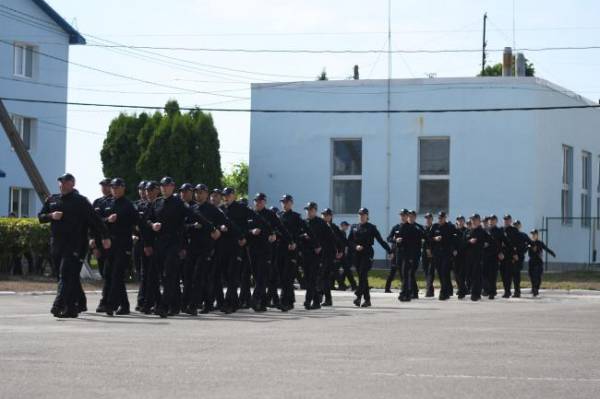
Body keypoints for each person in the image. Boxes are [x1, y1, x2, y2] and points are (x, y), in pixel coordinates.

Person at [38, 173, 110, 318]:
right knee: (64, 277)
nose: (62, 185)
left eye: (65, 182)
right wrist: (51, 216)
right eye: (60, 182)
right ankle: (71, 308)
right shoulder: (53, 199)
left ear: (72, 184)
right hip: (57, 244)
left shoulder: (80, 201)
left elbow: (95, 221)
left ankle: (58, 304)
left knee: (66, 275)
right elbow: (40, 217)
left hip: (75, 245)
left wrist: (104, 237)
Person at [145, 177, 198, 317]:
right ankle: (176, 304)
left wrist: (211, 227)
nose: (164, 188)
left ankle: (163, 306)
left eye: (167, 186)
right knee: (161, 276)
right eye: (162, 186)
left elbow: (194, 215)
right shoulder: (157, 202)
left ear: (173, 187)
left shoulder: (179, 203)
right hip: (159, 243)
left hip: (174, 244)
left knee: (169, 274)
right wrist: (152, 225)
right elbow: (147, 219)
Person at [101, 178, 138, 316]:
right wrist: (107, 220)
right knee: (110, 275)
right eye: (113, 188)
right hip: (111, 244)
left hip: (124, 244)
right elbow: (99, 220)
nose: (115, 190)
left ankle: (111, 304)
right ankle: (125, 305)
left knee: (117, 274)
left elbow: (137, 222)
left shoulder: (128, 205)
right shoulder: (107, 203)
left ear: (123, 188)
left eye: (117, 188)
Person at [348, 208, 392, 307]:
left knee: (363, 273)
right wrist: (355, 246)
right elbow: (349, 241)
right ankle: (367, 300)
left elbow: (380, 240)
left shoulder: (371, 227)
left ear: (367, 216)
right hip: (357, 254)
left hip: (367, 253)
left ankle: (358, 295)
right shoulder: (354, 227)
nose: (362, 216)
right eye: (360, 215)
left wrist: (390, 251)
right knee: (362, 277)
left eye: (364, 215)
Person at [278, 194, 313, 311]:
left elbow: (305, 229)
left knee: (288, 276)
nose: (284, 204)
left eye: (286, 202)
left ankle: (285, 301)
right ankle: (290, 300)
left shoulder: (295, 217)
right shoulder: (279, 215)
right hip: (281, 249)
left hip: (292, 249)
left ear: (291, 203)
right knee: (283, 276)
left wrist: (296, 242)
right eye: (283, 202)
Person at [221, 187, 253, 311]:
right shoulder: (221, 209)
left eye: (228, 195)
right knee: (226, 276)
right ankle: (232, 302)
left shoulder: (241, 208)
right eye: (224, 195)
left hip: (236, 245)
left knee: (232, 274)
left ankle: (231, 303)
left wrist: (245, 236)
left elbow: (252, 222)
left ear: (234, 195)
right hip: (223, 246)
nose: (226, 197)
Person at [304, 202, 338, 309]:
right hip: (306, 254)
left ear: (315, 210)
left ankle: (310, 300)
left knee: (314, 278)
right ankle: (315, 301)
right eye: (307, 210)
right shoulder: (304, 222)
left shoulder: (321, 223)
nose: (308, 212)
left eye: (310, 210)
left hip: (319, 255)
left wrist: (336, 250)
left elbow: (331, 237)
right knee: (308, 279)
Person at [395, 210, 424, 302]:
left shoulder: (418, 228)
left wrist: (424, 243)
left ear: (415, 217)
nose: (410, 218)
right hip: (404, 254)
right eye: (409, 216)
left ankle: (408, 293)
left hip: (414, 255)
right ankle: (407, 293)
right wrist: (397, 240)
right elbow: (398, 238)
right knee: (406, 274)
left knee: (409, 274)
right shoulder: (403, 226)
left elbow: (425, 237)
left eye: (412, 216)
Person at [429, 211, 457, 300]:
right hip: (437, 254)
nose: (440, 219)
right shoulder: (434, 226)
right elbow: (428, 238)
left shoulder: (450, 227)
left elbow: (456, 236)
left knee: (445, 272)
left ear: (445, 218)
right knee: (440, 273)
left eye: (442, 218)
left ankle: (444, 292)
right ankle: (446, 290)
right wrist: (435, 238)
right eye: (439, 218)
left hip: (447, 253)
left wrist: (454, 248)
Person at [319, 208, 343, 306]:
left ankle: (326, 298)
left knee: (324, 276)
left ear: (331, 216)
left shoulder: (333, 227)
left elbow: (340, 240)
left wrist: (340, 250)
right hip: (319, 254)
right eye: (324, 215)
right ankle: (322, 296)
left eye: (327, 215)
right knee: (321, 276)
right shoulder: (318, 225)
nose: (325, 217)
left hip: (329, 254)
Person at [464, 214, 490, 301]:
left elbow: (490, 241)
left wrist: (484, 244)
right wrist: (469, 241)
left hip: (478, 257)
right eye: (472, 220)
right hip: (468, 258)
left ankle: (476, 294)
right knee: (469, 276)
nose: (473, 221)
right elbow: (462, 244)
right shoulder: (468, 231)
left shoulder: (482, 232)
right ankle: (473, 291)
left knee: (477, 276)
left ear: (479, 221)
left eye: (475, 220)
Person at [90, 178, 112, 280]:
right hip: (98, 240)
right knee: (102, 268)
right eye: (102, 186)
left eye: (106, 185)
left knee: (110, 270)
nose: (104, 188)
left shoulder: (114, 201)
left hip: (111, 239)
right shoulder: (97, 202)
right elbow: (91, 222)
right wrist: (92, 239)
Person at [133, 180, 148, 312]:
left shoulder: (152, 205)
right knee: (139, 272)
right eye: (140, 189)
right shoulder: (135, 205)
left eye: (145, 189)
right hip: (137, 241)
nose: (142, 192)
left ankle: (143, 300)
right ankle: (143, 299)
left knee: (146, 273)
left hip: (148, 242)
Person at [385, 209, 408, 293]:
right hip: (395, 252)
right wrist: (395, 240)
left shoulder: (409, 227)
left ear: (407, 216)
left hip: (405, 252)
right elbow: (389, 238)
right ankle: (387, 288)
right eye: (401, 215)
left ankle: (404, 288)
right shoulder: (396, 227)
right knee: (393, 270)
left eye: (404, 215)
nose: (403, 217)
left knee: (403, 271)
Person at [527, 229, 556, 297]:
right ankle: (534, 288)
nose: (533, 235)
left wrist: (552, 253)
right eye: (532, 234)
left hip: (538, 262)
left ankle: (535, 289)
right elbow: (524, 249)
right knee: (532, 276)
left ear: (537, 235)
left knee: (537, 277)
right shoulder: (529, 243)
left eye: (534, 234)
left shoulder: (540, 243)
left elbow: (546, 248)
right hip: (531, 262)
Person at [484, 215, 505, 300]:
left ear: (496, 221)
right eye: (490, 220)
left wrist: (501, 252)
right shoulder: (485, 231)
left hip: (495, 256)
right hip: (485, 256)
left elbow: (504, 242)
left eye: (493, 220)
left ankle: (492, 293)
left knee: (492, 276)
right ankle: (488, 290)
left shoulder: (499, 231)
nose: (491, 221)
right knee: (484, 275)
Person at [501, 215, 521, 298]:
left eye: (508, 219)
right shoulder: (501, 230)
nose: (506, 221)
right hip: (503, 256)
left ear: (510, 220)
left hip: (512, 256)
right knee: (504, 275)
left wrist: (515, 254)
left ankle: (517, 291)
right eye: (505, 219)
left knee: (514, 275)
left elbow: (517, 243)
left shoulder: (514, 230)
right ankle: (507, 291)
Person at [335, 221, 357, 291]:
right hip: (339, 254)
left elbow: (345, 243)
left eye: (347, 226)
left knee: (345, 270)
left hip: (342, 254)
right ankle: (343, 285)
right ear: (342, 225)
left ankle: (347, 285)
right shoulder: (340, 232)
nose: (347, 227)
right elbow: (338, 243)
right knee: (336, 270)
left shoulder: (344, 233)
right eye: (346, 226)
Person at [421, 213, 435, 297]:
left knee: (431, 271)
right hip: (424, 253)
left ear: (432, 219)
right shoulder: (423, 228)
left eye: (429, 218)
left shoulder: (435, 228)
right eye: (426, 218)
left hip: (432, 253)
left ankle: (428, 290)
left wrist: (430, 250)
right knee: (426, 271)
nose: (427, 220)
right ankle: (431, 288)